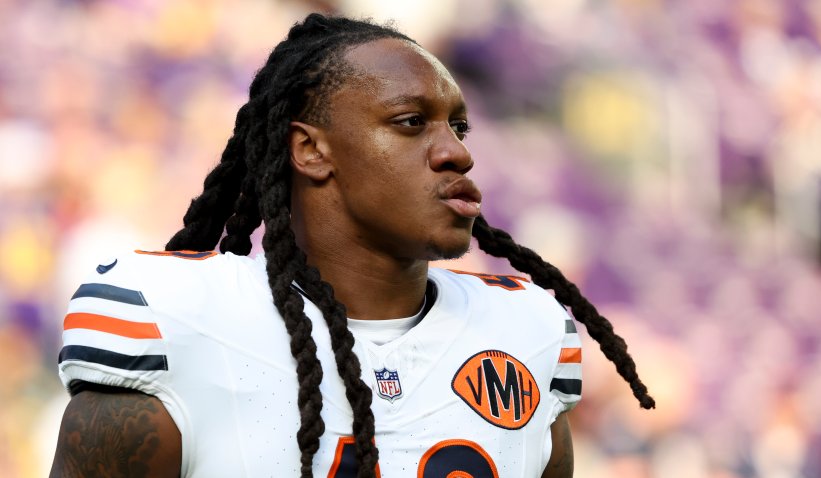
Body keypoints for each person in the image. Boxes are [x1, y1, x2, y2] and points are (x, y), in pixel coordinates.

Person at [50, 13, 654, 478]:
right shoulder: (178, 321)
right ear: (310, 150)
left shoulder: (526, 331)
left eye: (458, 126)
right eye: (411, 122)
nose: (457, 152)